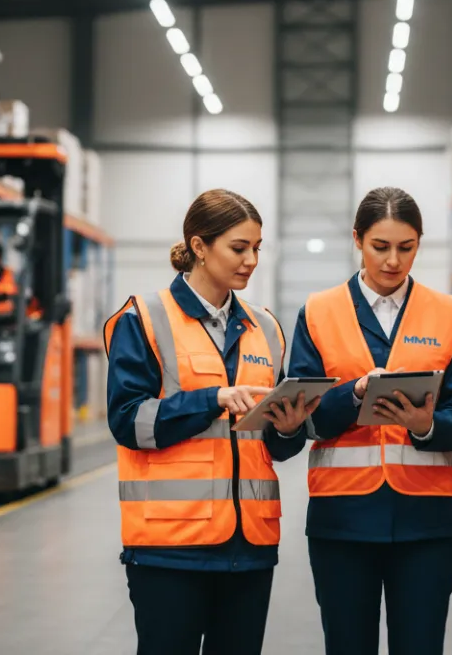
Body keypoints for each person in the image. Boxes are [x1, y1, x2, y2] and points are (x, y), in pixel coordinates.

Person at [104, 188, 316, 655]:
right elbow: (127, 422)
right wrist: (213, 398)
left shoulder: (266, 328)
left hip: (249, 546)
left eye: (257, 248)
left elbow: (275, 449)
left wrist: (288, 426)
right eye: (239, 248)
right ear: (199, 247)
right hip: (170, 548)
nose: (251, 260)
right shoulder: (143, 318)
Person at [289, 186, 452, 655]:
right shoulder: (317, 313)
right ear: (357, 239)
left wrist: (426, 426)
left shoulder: (449, 314)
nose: (393, 261)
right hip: (342, 521)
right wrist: (352, 396)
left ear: (419, 243)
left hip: (426, 522)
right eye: (380, 247)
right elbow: (301, 418)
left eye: (406, 247)